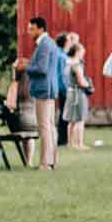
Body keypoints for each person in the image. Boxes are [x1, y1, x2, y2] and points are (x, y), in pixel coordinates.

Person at [24, 17, 67, 171]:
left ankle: (45, 163)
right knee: (50, 126)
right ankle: (51, 160)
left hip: (43, 89)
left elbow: (41, 69)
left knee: (44, 127)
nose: (29, 32)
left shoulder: (44, 44)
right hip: (50, 88)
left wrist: (26, 66)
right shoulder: (50, 44)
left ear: (41, 29)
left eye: (32, 29)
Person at [62, 35, 92, 147]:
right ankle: (79, 143)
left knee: (71, 120)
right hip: (78, 93)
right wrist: (88, 84)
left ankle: (70, 143)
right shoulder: (76, 64)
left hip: (70, 92)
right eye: (82, 51)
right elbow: (81, 81)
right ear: (77, 51)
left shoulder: (68, 62)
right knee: (80, 119)